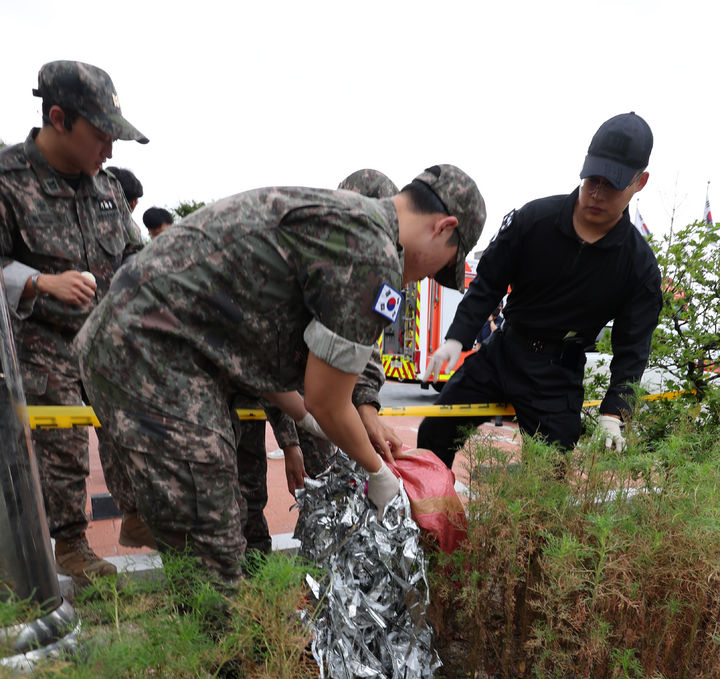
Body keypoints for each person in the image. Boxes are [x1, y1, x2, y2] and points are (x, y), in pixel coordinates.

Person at [77, 165, 486, 584]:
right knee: (212, 551)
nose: (427, 278)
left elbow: (267, 347)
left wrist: (350, 412)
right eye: (441, 268)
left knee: (212, 529)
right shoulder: (371, 253)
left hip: (152, 344)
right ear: (443, 227)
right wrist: (378, 475)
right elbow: (325, 400)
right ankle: (218, 636)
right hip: (150, 353)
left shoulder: (349, 220)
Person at [419, 113, 663, 467]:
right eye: (592, 179)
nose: (596, 193)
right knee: (434, 432)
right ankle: (432, 518)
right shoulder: (534, 221)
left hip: (557, 373)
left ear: (639, 182)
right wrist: (456, 339)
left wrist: (615, 413)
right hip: (503, 351)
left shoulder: (638, 266)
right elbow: (488, 282)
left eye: (611, 184)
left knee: (551, 470)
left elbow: (633, 349)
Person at [0, 60, 151, 587]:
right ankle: (70, 545)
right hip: (38, 337)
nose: (109, 149)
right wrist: (43, 282)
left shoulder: (106, 187)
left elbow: (137, 255)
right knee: (62, 430)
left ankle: (136, 515)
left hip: (104, 337)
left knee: (136, 419)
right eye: (101, 135)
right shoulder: (8, 179)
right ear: (59, 119)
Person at [235, 168, 401, 558]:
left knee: (331, 489)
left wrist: (367, 407)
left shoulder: (372, 265)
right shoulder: (306, 258)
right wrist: (294, 435)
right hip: (247, 384)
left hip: (302, 396)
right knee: (238, 496)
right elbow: (265, 358)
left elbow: (367, 347)